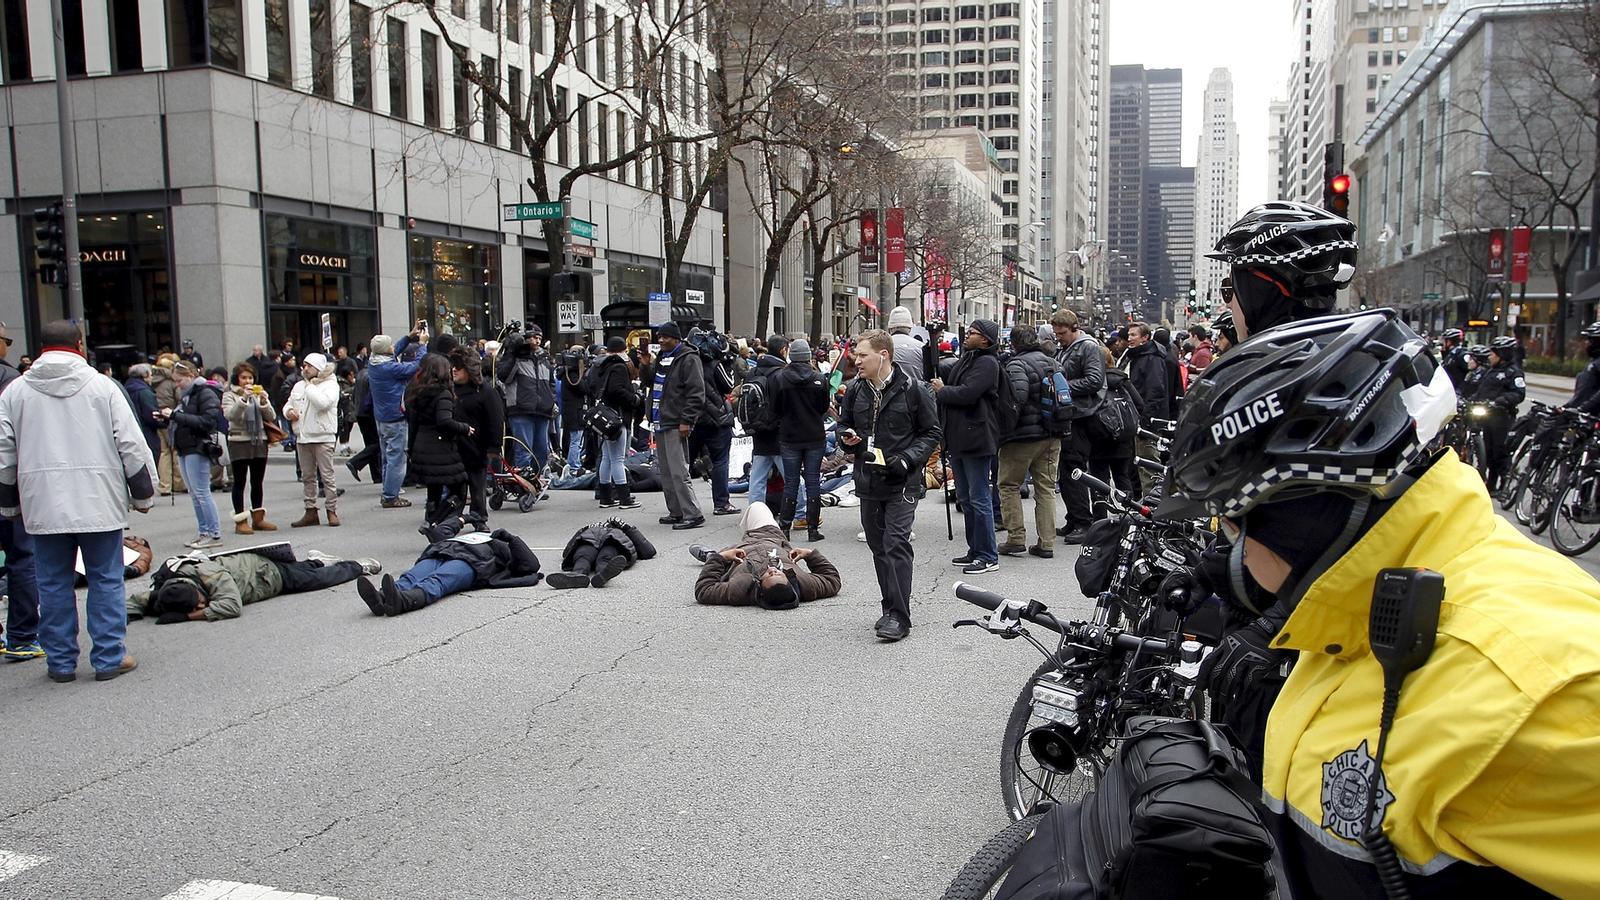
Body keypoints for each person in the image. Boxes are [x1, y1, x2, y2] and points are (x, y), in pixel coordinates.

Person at [1156, 309, 1600, 898]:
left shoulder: (1542, 700)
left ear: (1300, 513)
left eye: (1232, 520)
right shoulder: (1352, 610)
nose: (1226, 541)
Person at [0, 320, 155, 682]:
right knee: (105, 579)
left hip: (43, 502)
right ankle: (108, 657)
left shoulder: (16, 392)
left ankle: (60, 661)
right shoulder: (103, 387)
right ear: (80, 345)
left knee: (52, 583)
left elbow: (4, 454)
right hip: (97, 498)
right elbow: (131, 445)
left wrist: (8, 503)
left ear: (41, 347)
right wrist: (143, 493)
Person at [839, 330, 940, 641]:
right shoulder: (856, 390)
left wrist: (908, 459)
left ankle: (898, 615)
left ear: (882, 355)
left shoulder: (914, 389)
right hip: (868, 478)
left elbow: (932, 432)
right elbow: (843, 426)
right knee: (878, 545)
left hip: (903, 481)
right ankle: (890, 607)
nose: (856, 360)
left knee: (896, 543)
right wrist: (846, 437)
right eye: (856, 354)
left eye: (862, 355)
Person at [1207, 200, 1358, 341]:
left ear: (1256, 291)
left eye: (1228, 289)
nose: (1228, 305)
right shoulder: (1353, 350)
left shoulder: (1264, 366)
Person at [129, 545, 380, 623]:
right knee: (304, 570)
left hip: (266, 574)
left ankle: (357, 566)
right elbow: (132, 603)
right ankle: (315, 560)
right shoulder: (167, 592)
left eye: (202, 602)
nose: (204, 605)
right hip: (256, 573)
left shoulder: (211, 576)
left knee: (317, 580)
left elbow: (231, 606)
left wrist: (189, 617)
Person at [931, 319, 1003, 574]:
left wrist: (943, 391)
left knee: (979, 497)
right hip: (961, 438)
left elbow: (968, 393)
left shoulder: (987, 363)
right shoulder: (970, 358)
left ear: (985, 339)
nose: (967, 336)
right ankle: (975, 549)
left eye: (972, 333)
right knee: (966, 498)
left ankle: (987, 555)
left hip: (976, 439)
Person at [355, 523, 543, 616]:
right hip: (442, 552)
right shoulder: (468, 535)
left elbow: (532, 565)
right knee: (411, 576)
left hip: (473, 562)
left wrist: (511, 538)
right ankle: (381, 598)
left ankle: (403, 602)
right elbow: (441, 531)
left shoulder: (501, 546)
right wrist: (464, 519)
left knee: (437, 580)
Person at [688, 502, 840, 608]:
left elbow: (704, 590)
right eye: (778, 574)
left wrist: (720, 558)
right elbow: (832, 580)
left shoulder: (740, 590)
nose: (772, 570)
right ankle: (717, 557)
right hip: (769, 536)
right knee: (757, 506)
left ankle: (712, 557)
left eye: (768, 576)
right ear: (789, 580)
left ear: (759, 585)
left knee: (720, 560)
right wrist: (810, 555)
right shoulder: (805, 585)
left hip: (736, 554)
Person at [996, 325, 1062, 559]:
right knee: (1045, 489)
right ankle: (1047, 543)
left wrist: (1004, 431)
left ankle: (1015, 538)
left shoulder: (1016, 364)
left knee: (1009, 485)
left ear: (1013, 343)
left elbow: (1017, 398)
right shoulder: (1052, 362)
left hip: (1023, 437)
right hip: (1052, 433)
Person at [0, 320, 40, 663]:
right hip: (5, 482)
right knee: (21, 557)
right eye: (6, 339)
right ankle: (22, 636)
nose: (8, 345)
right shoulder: (11, 382)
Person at [1050, 310, 1106, 543]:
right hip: (1072, 413)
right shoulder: (1066, 348)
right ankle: (1075, 517)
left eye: (1062, 333)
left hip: (1083, 415)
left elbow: (1095, 380)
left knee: (1074, 467)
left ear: (1074, 328)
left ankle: (1083, 521)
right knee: (1066, 468)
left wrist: (1063, 386)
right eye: (1056, 333)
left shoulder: (1088, 347)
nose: (1058, 337)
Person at [648, 322, 706, 530]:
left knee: (678, 471)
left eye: (665, 337)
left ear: (677, 338)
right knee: (665, 470)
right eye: (659, 337)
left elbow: (696, 392)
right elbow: (651, 384)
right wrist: (646, 364)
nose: (661, 340)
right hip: (660, 420)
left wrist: (687, 420)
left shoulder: (688, 358)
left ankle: (692, 513)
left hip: (675, 422)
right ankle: (676, 511)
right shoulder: (661, 358)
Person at [162, 360, 225, 549]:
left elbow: (207, 421)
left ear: (190, 376)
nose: (177, 384)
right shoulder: (189, 395)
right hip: (186, 447)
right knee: (195, 493)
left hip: (197, 447)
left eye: (179, 380)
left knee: (201, 492)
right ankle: (204, 531)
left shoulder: (204, 392)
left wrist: (175, 416)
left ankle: (214, 533)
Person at [773, 338, 831, 541]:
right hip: (814, 435)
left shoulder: (780, 378)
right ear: (808, 357)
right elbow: (824, 407)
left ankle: (785, 527)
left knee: (791, 482)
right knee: (813, 481)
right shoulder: (819, 379)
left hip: (789, 436)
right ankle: (813, 529)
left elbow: (775, 407)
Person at [407, 354, 472, 525]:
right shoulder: (443, 393)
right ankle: (440, 521)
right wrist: (465, 428)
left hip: (422, 445)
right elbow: (444, 421)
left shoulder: (417, 391)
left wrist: (411, 448)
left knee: (433, 488)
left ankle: (430, 517)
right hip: (441, 447)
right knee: (459, 486)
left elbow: (412, 423)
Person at [366, 330, 425, 508]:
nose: (394, 347)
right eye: (390, 345)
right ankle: (391, 496)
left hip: (381, 417)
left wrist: (409, 337)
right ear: (385, 350)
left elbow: (394, 350)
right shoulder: (390, 368)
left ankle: (388, 489)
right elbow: (416, 366)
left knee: (386, 457)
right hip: (395, 417)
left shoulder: (373, 362)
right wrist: (422, 345)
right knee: (396, 459)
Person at [582, 336, 642, 510]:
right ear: (622, 350)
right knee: (617, 459)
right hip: (618, 416)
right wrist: (634, 399)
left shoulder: (599, 366)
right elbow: (618, 390)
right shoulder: (618, 367)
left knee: (607, 458)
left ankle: (606, 496)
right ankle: (624, 497)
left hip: (604, 416)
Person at [284, 352, 342, 527]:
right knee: (307, 476)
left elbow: (323, 403)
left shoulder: (330, 384)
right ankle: (310, 510)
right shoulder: (299, 386)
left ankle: (331, 510)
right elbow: (288, 403)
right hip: (303, 437)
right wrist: (288, 412)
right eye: (304, 365)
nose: (305, 368)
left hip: (323, 436)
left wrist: (310, 386)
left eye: (309, 365)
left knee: (327, 476)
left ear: (318, 368)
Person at [686, 330, 739, 518]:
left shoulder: (687, 362)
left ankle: (682, 505)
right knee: (720, 460)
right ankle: (721, 503)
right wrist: (728, 361)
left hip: (692, 418)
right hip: (717, 418)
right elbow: (728, 385)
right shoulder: (717, 365)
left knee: (684, 463)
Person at [222, 363, 278, 535]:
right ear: (237, 379)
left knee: (257, 481)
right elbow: (231, 416)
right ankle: (241, 520)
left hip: (258, 440)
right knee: (239, 481)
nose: (248, 381)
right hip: (239, 441)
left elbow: (271, 416)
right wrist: (243, 400)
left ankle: (258, 518)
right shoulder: (229, 395)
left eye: (250, 377)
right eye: (244, 377)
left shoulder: (257, 395)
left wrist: (263, 402)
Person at [451, 351, 503, 520]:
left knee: (477, 486)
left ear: (469, 369)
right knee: (455, 488)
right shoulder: (449, 390)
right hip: (453, 448)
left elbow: (495, 420)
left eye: (458, 367)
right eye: (452, 366)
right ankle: (452, 519)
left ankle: (479, 517)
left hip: (477, 447)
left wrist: (494, 446)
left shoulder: (486, 391)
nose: (454, 370)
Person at [1471, 335, 1526, 492]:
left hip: (1502, 417)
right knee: (1487, 450)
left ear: (1502, 354)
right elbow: (1482, 392)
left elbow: (1519, 394)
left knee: (1499, 450)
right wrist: (1471, 400)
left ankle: (1504, 483)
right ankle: (1491, 482)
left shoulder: (1514, 373)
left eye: (1493, 354)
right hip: (1488, 416)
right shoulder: (1491, 371)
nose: (1490, 356)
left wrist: (1502, 400)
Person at [498, 325, 557, 470]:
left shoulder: (544, 359)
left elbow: (551, 384)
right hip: (521, 409)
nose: (537, 341)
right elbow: (503, 377)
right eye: (534, 337)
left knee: (542, 452)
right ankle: (524, 487)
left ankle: (536, 484)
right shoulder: (516, 357)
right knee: (524, 451)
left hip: (542, 410)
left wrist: (551, 402)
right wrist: (512, 352)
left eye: (539, 338)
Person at [741, 336, 788, 510]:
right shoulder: (782, 373)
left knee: (757, 477)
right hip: (778, 430)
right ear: (783, 350)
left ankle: (755, 513)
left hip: (758, 430)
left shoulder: (754, 371)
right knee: (791, 477)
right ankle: (800, 512)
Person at [546, 517, 657, 589]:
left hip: (613, 541)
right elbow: (567, 551)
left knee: (606, 556)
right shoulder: (589, 530)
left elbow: (649, 551)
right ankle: (576, 575)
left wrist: (626, 527)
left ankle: (603, 574)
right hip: (589, 540)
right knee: (583, 556)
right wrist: (583, 529)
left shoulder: (619, 531)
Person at [150, 353, 186, 494]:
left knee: (164, 452)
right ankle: (178, 483)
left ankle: (165, 485)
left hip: (158, 417)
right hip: (170, 417)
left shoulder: (153, 380)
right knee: (175, 450)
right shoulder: (171, 381)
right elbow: (179, 399)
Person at [345, 363, 382, 484]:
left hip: (361, 413)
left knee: (371, 443)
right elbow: (371, 397)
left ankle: (377, 475)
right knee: (377, 443)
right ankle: (356, 462)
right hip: (368, 413)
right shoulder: (371, 375)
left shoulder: (362, 373)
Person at [1564, 321, 1600, 414]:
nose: (1587, 343)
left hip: (1591, 416)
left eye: (1591, 340)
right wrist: (1565, 408)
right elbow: (1582, 393)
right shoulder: (1594, 362)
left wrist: (1583, 408)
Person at [887, 305, 924, 380]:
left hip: (887, 390)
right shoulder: (921, 347)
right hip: (916, 390)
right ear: (910, 328)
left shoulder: (881, 346)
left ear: (890, 327)